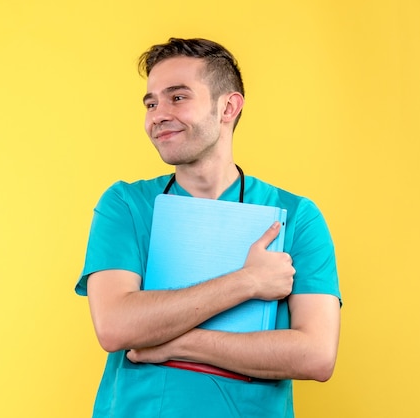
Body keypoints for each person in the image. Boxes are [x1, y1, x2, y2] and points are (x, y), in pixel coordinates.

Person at [75, 37, 341, 417]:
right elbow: (116, 326)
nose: (158, 115)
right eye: (151, 103)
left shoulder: (296, 216)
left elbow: (316, 355)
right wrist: (247, 282)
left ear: (228, 107)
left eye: (177, 97)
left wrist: (179, 343)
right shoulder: (126, 206)